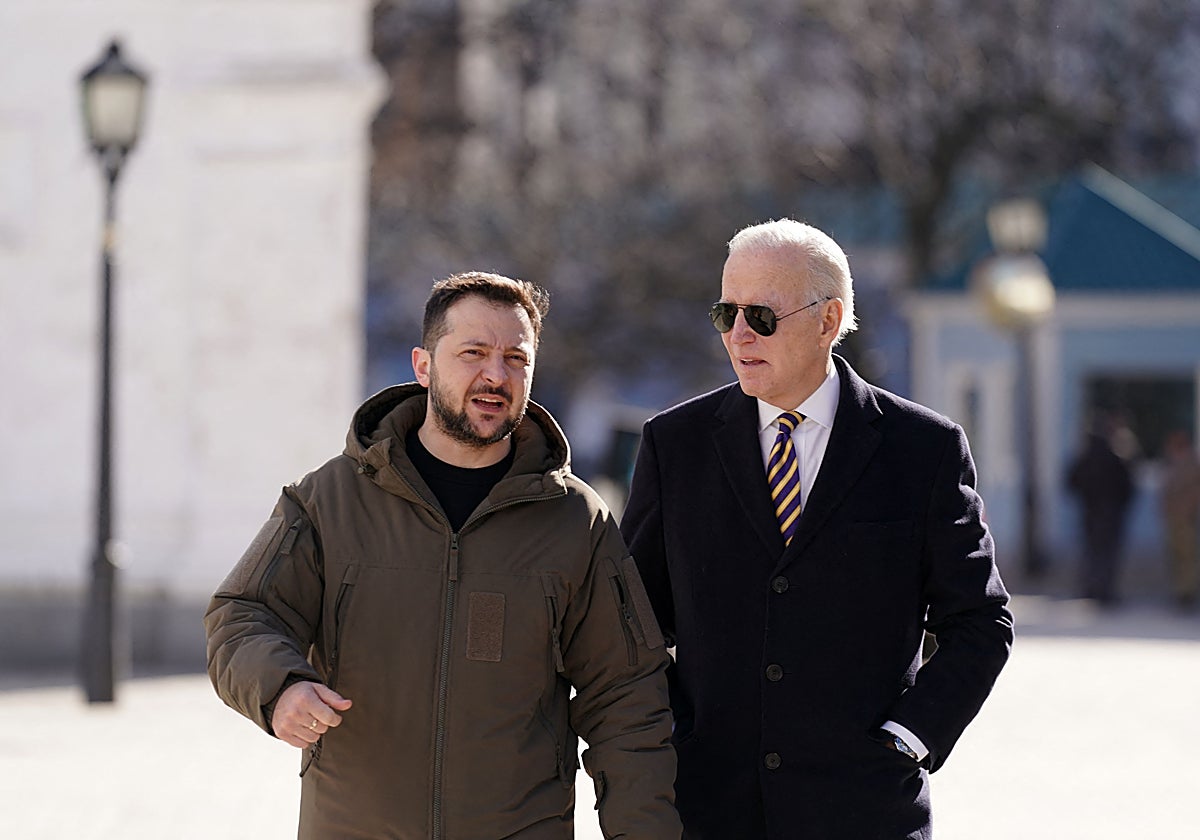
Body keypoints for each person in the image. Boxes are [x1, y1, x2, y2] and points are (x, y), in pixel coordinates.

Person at [205, 272, 681, 839]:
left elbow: (627, 695)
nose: (495, 375)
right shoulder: (332, 498)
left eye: (516, 359)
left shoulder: (575, 520)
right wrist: (279, 686)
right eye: (473, 353)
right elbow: (242, 614)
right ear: (424, 365)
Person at [620, 219, 1013, 839]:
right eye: (727, 314)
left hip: (865, 811)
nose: (740, 334)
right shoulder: (675, 445)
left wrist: (911, 737)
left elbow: (981, 623)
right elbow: (630, 623)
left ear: (829, 320)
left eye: (762, 315)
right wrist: (677, 730)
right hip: (711, 809)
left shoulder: (924, 450)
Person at [1066, 414, 1136, 606]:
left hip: (1091, 513)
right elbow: (1127, 487)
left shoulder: (1086, 459)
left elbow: (1071, 481)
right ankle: (1105, 591)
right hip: (1110, 515)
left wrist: (1087, 498)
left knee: (1092, 553)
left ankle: (1092, 590)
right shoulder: (1114, 459)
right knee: (1108, 555)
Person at [1160, 429, 1200, 610]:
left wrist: (1186, 509)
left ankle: (1187, 593)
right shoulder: (1172, 464)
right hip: (1173, 517)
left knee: (1187, 557)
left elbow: (1194, 491)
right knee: (1176, 556)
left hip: (1187, 518)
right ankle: (1180, 591)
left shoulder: (1191, 464)